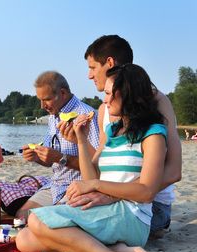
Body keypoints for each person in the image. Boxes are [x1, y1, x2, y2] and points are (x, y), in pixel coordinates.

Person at [16, 64, 166, 252]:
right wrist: (81, 139)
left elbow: (147, 191)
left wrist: (97, 185)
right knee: (24, 240)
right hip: (106, 211)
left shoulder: (153, 135)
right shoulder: (112, 131)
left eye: (107, 94)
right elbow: (90, 176)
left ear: (127, 94)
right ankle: (110, 248)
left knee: (36, 219)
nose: (103, 101)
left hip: (131, 216)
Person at [60, 35, 182, 235]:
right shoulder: (104, 110)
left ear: (109, 62)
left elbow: (174, 171)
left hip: (150, 208)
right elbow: (100, 164)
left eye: (92, 68)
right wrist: (79, 140)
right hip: (111, 197)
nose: (89, 76)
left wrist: (111, 196)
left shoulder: (156, 101)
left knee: (65, 227)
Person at [15, 71, 99, 219]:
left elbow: (97, 166)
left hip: (79, 187)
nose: (42, 105)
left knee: (47, 222)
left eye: (46, 99)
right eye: (40, 100)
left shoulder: (86, 115)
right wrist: (37, 157)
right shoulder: (53, 116)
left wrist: (60, 158)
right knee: (21, 217)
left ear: (63, 93)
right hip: (55, 185)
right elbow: (51, 161)